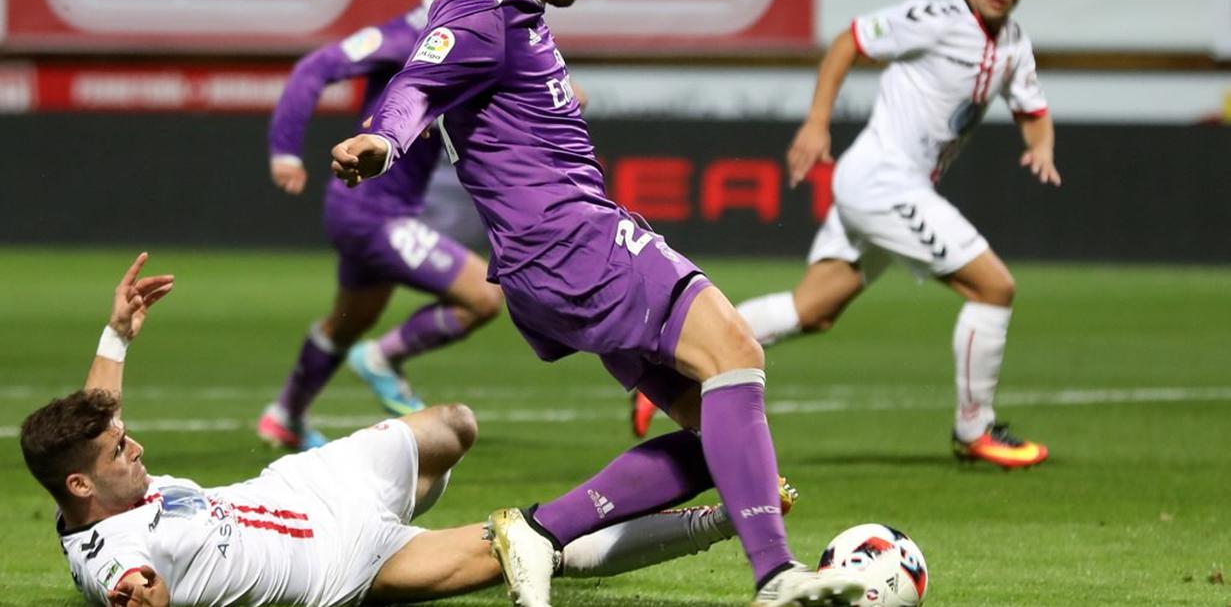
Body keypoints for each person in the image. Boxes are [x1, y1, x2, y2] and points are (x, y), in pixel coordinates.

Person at [330, 0, 868, 605]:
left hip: (550, 258)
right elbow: (417, 85)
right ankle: (774, 575)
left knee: (722, 438)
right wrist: (384, 139)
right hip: (572, 242)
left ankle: (538, 531)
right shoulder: (483, 8)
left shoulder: (509, 9)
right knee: (737, 353)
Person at [21, 253, 796, 607]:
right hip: (345, 565)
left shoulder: (92, 488)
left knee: (454, 425)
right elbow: (130, 589)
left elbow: (97, 418)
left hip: (305, 483)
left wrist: (117, 335)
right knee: (530, 548)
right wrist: (137, 597)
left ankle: (417, 500)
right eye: (121, 451)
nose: (136, 445)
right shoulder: (115, 554)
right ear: (83, 485)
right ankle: (715, 521)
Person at [736, 0, 1058, 469]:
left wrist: (1041, 148)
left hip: (892, 187)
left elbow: (1033, 111)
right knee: (994, 288)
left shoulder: (1013, 45)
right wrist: (817, 124)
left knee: (811, 310)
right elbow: (849, 42)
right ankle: (974, 429)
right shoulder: (933, 21)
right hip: (882, 180)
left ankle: (678, 366)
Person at [261, 0, 505, 450]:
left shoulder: (473, 33)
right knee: (484, 298)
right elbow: (313, 69)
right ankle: (383, 358)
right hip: (373, 212)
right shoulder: (405, 36)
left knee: (345, 323)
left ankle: (285, 415)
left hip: (371, 210)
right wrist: (285, 149)